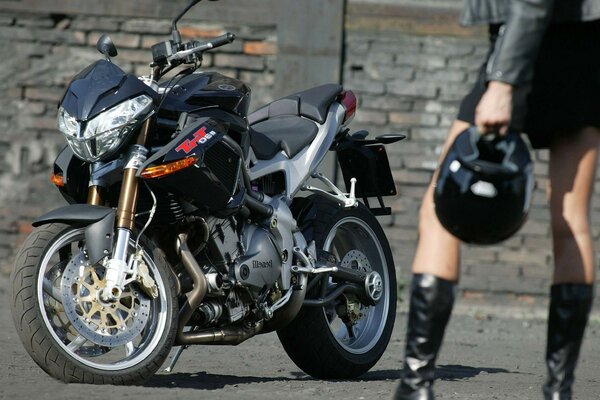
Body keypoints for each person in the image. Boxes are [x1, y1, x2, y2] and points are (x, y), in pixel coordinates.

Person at [394, 0, 600, 399]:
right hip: (585, 41)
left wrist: (503, 83)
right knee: (571, 218)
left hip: (522, 46)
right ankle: (559, 392)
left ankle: (416, 386)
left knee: (440, 211)